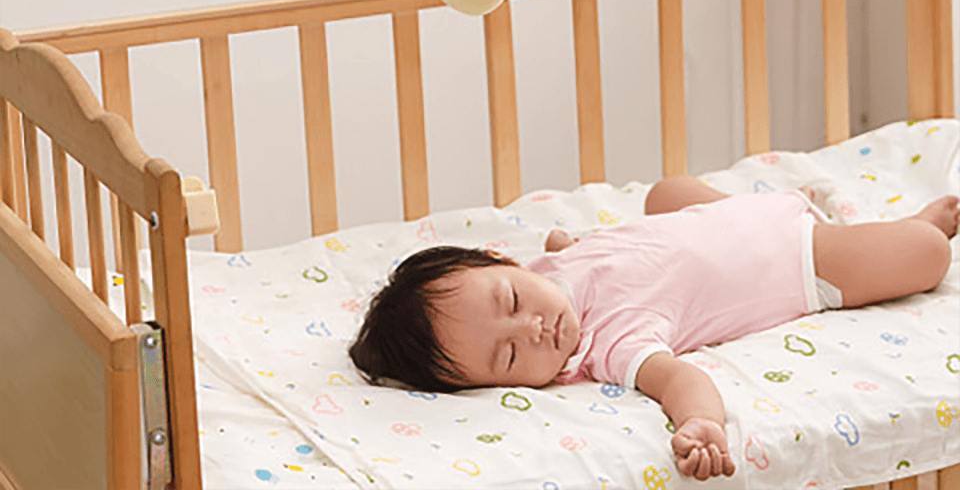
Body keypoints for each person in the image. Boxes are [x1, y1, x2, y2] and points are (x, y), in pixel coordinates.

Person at [349, 179, 959, 481]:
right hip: (802, 257)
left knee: (666, 192)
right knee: (927, 252)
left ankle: (801, 208)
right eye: (509, 356)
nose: (532, 327)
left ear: (502, 261)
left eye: (510, 300)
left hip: (724, 213)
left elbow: (582, 253)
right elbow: (679, 379)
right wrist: (701, 423)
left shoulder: (550, 266)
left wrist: (569, 244)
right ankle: (907, 225)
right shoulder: (612, 343)